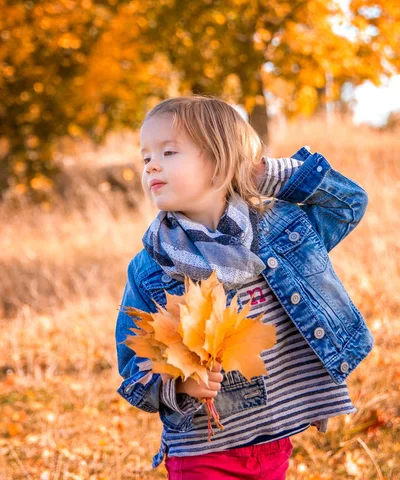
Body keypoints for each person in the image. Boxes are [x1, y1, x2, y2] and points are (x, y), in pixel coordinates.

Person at [115, 95, 374, 480]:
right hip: (204, 449)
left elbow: (348, 204)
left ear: (220, 160)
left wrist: (265, 173)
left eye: (168, 152)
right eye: (145, 156)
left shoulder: (281, 227)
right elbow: (133, 368)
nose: (150, 165)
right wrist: (180, 384)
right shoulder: (152, 265)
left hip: (275, 437)